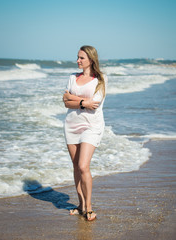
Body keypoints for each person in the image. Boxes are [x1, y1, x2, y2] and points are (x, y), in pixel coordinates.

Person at [63, 45, 107, 221]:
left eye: (81, 58)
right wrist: (83, 102)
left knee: (83, 166)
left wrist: (73, 98)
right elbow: (65, 101)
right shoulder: (72, 78)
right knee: (75, 167)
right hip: (71, 124)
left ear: (91, 59)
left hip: (92, 126)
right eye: (77, 57)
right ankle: (80, 204)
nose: (77, 61)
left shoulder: (101, 80)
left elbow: (94, 104)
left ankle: (89, 207)